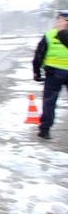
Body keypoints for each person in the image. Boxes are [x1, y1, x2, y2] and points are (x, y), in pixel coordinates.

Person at [32, 10, 68, 139]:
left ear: (59, 20)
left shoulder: (50, 35)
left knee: (49, 102)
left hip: (54, 73)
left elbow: (39, 55)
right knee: (49, 102)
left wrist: (37, 72)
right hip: (54, 72)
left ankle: (45, 129)